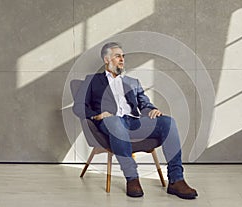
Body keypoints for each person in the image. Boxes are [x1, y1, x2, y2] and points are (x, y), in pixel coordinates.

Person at [75, 42, 198, 199]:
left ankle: (176, 180)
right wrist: (96, 115)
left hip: (134, 122)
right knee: (115, 122)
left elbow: (144, 103)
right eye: (117, 56)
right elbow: (79, 106)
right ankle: (132, 178)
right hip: (110, 122)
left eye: (123, 56)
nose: (122, 59)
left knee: (168, 122)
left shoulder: (132, 82)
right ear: (106, 59)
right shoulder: (92, 81)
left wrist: (152, 109)